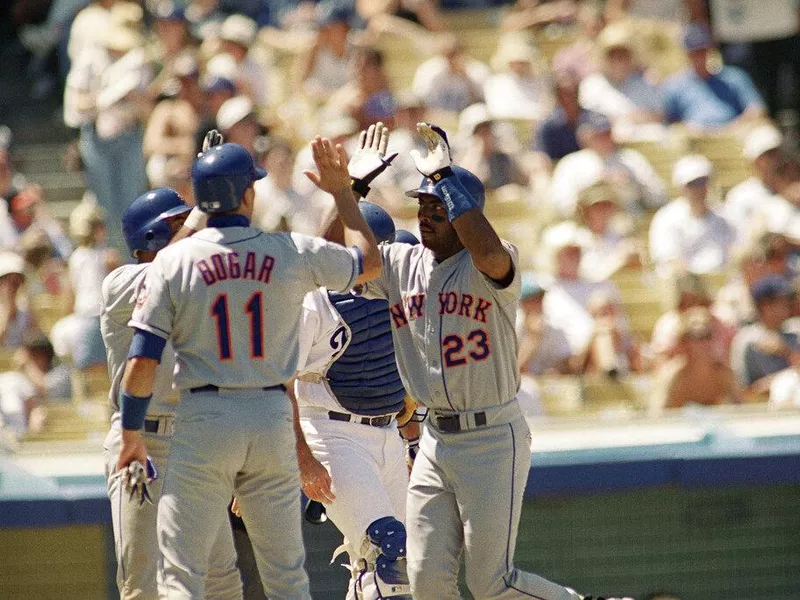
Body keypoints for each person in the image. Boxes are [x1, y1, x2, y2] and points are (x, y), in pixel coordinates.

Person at [115, 139, 382, 597]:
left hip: (202, 418)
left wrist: (131, 435)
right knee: (285, 573)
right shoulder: (288, 250)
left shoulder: (173, 261)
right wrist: (342, 193)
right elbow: (370, 263)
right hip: (270, 417)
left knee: (181, 573)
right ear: (247, 195)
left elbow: (142, 361)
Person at [352, 123, 588, 598]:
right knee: (425, 581)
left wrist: (445, 180)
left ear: (465, 212)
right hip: (436, 438)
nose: (427, 214)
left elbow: (486, 249)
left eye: (438, 206)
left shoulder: (495, 261)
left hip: (492, 437)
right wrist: (349, 191)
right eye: (422, 205)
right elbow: (335, 258)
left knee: (491, 585)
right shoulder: (401, 263)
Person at [101, 188, 242, 599]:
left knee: (221, 580)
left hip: (197, 443)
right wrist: (204, 206)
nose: (193, 230)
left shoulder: (199, 289)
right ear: (152, 236)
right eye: (179, 223)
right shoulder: (122, 284)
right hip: (142, 442)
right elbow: (165, 274)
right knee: (141, 584)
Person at [294, 194, 418, 599]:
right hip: (331, 432)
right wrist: (302, 460)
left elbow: (404, 385)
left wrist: (413, 441)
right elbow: (276, 383)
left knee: (395, 566)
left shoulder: (397, 293)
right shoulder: (313, 302)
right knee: (387, 547)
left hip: (386, 433)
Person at [549, 111, 666, 218]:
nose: (604, 137)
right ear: (584, 136)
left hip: (627, 224)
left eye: (607, 132)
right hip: (586, 228)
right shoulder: (571, 163)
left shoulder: (631, 160)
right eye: (598, 134)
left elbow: (658, 197)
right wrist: (592, 187)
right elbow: (558, 204)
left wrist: (632, 184)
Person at [661, 23, 766, 131]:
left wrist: (735, 126)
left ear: (709, 51)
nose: (699, 57)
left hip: (735, 134)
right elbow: (669, 120)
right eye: (694, 52)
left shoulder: (734, 77)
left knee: (766, 135)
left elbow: (757, 109)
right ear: (687, 54)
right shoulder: (675, 85)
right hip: (696, 138)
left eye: (702, 51)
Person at [648, 154, 736, 278]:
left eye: (702, 182)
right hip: (685, 286)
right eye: (692, 184)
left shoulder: (725, 216)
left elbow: (736, 253)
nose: (699, 188)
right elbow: (669, 260)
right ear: (681, 187)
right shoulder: (666, 218)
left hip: (722, 282)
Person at [652, 306, 740, 411]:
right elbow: (656, 414)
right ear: (684, 342)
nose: (702, 344)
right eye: (695, 337)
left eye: (707, 336)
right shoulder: (672, 375)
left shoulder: (723, 374)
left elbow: (741, 409)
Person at [730, 275, 798, 395]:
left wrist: (786, 352)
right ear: (764, 306)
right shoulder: (747, 340)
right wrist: (784, 380)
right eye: (780, 301)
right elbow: (746, 391)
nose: (787, 305)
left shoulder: (795, 332)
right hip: (763, 410)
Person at [723, 123, 784, 245]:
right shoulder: (740, 196)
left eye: (776, 152)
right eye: (769, 154)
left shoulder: (794, 189)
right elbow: (738, 243)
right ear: (756, 161)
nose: (775, 159)